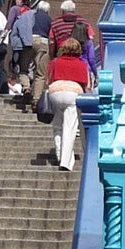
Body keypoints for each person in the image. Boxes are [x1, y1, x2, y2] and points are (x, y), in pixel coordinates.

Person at [46, 36, 92, 170]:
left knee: (58, 126)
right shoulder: (82, 65)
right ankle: (65, 162)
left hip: (55, 92)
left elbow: (48, 80)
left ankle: (59, 154)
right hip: (73, 93)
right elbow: (87, 87)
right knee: (70, 128)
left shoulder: (55, 62)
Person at [30, 0, 53, 117]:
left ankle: (27, 88)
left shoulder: (31, 15)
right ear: (47, 10)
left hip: (28, 42)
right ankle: (36, 99)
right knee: (41, 73)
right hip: (42, 43)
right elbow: (51, 35)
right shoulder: (49, 20)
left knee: (28, 69)